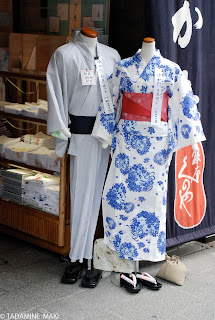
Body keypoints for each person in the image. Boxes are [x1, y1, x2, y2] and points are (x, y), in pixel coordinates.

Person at [92, 37, 206, 292]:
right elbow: (110, 101)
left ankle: (141, 260)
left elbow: (182, 105)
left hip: (156, 143)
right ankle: (124, 258)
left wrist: (184, 138)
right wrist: (106, 133)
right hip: (126, 139)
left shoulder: (170, 69)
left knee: (151, 199)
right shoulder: (122, 67)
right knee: (119, 195)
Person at [47, 28, 120, 288]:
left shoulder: (112, 56)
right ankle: (78, 256)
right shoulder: (64, 55)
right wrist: (62, 131)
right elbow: (55, 94)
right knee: (80, 197)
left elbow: (118, 95)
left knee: (99, 196)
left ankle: (90, 256)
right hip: (80, 134)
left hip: (105, 137)